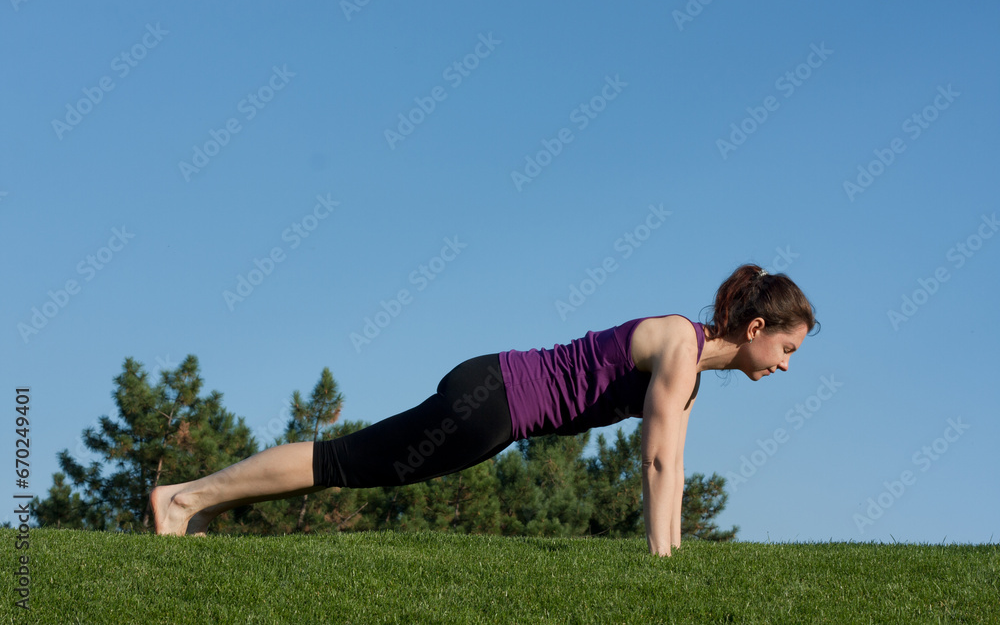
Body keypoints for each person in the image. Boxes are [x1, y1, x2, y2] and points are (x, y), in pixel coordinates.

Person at [151, 263, 818, 556]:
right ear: (757, 326)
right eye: (787, 347)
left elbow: (671, 464)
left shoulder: (693, 372)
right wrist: (661, 557)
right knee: (344, 461)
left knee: (350, 463)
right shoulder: (680, 340)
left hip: (494, 403)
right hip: (491, 401)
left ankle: (198, 504)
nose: (786, 363)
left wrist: (667, 550)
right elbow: (658, 457)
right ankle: (182, 500)